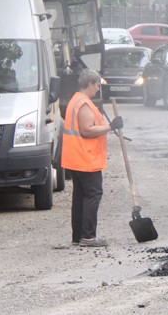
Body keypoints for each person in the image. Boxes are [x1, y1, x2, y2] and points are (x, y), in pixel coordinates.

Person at [61, 69, 123, 248]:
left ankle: (77, 236)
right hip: (85, 157)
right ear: (90, 84)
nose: (98, 88)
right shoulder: (83, 104)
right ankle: (88, 237)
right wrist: (111, 127)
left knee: (80, 196)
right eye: (97, 85)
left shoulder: (76, 100)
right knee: (93, 194)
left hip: (76, 157)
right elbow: (86, 130)